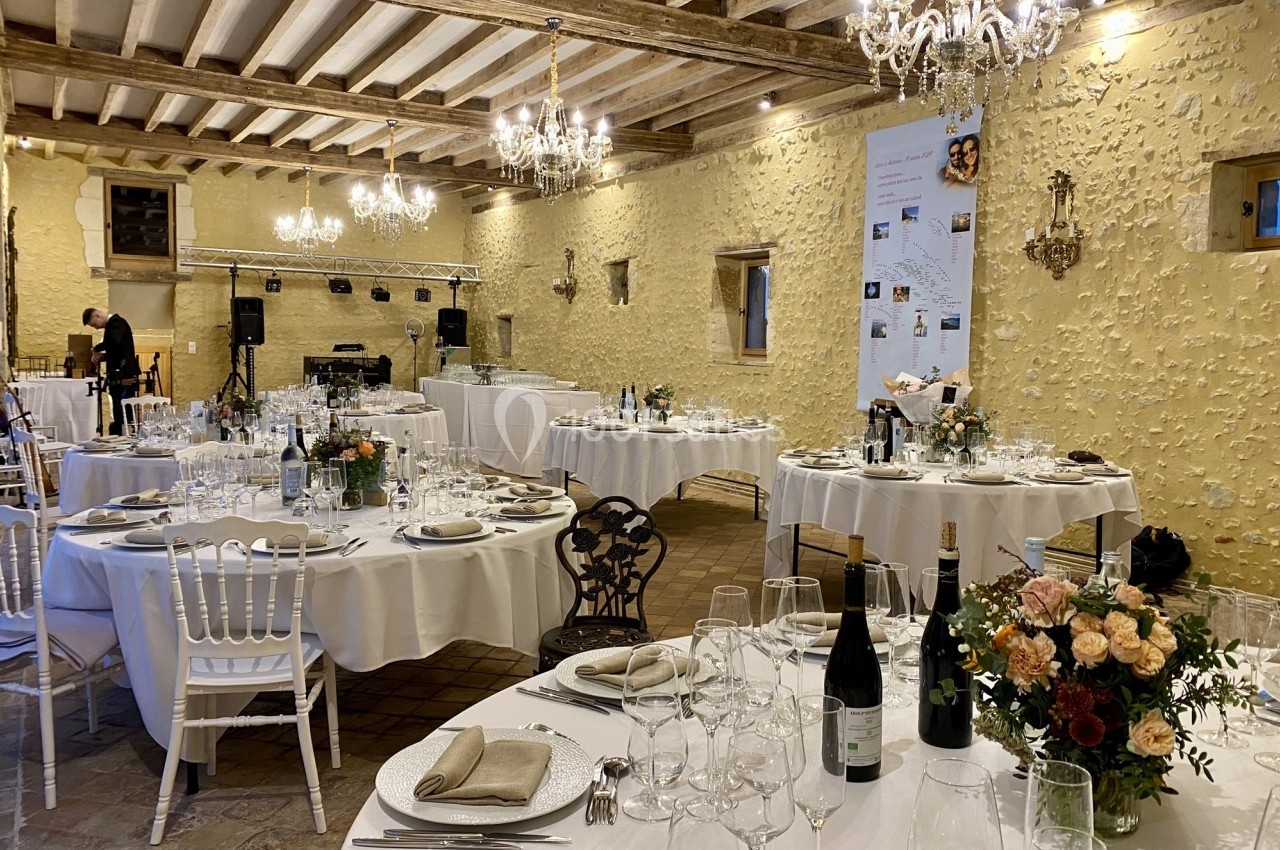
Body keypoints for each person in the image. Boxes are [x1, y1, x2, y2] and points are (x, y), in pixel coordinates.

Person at [83, 307, 141, 436]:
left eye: (94, 325)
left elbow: (113, 343)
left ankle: (127, 438)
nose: (96, 328)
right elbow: (116, 351)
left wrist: (96, 348)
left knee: (124, 410)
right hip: (117, 374)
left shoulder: (117, 322)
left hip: (124, 374)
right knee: (117, 411)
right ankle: (120, 438)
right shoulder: (112, 325)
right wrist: (102, 357)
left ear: (97, 316)